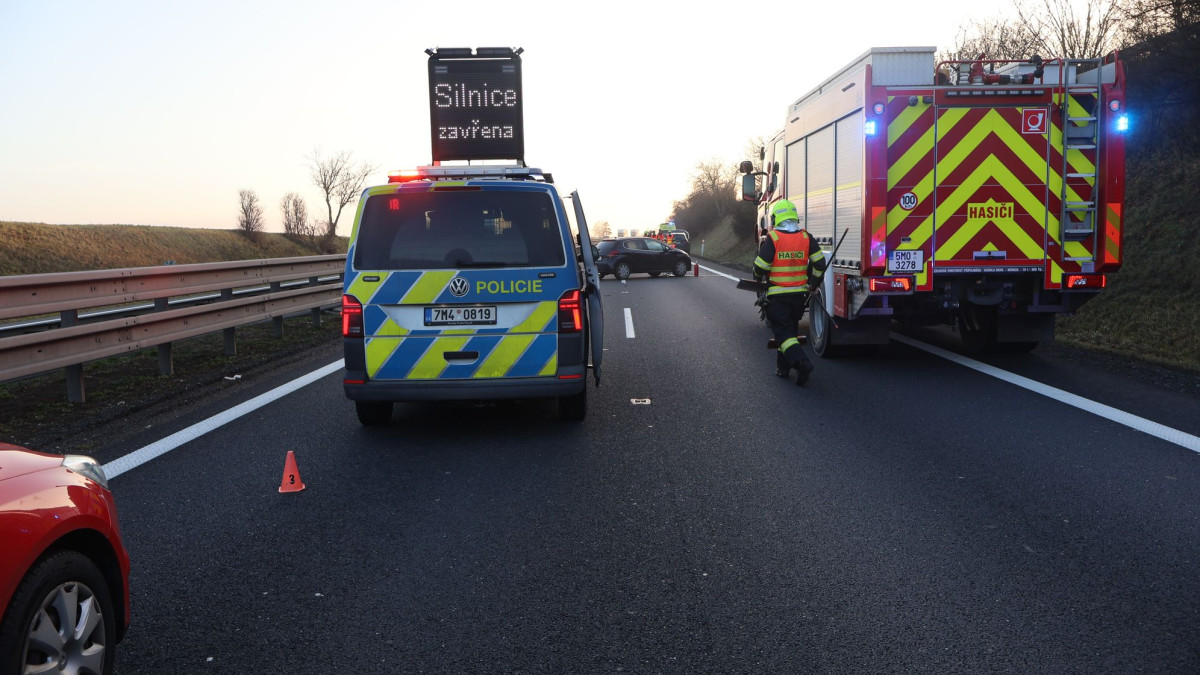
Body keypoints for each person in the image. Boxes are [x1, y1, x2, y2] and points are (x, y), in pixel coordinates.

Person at [752, 199, 827, 386]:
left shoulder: (774, 238)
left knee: (783, 336)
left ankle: (802, 363)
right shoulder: (805, 237)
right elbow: (819, 263)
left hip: (778, 297)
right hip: (798, 298)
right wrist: (814, 282)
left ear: (777, 217)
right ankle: (783, 369)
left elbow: (761, 267)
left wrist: (756, 274)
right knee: (789, 332)